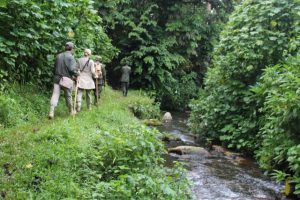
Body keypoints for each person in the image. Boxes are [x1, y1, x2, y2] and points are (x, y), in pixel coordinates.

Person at [48, 42, 77, 119]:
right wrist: (77, 74)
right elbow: (72, 70)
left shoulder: (58, 56)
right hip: (66, 79)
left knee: (55, 94)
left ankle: (51, 111)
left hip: (57, 79)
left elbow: (54, 68)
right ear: (71, 49)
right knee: (68, 96)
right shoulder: (71, 57)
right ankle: (71, 111)